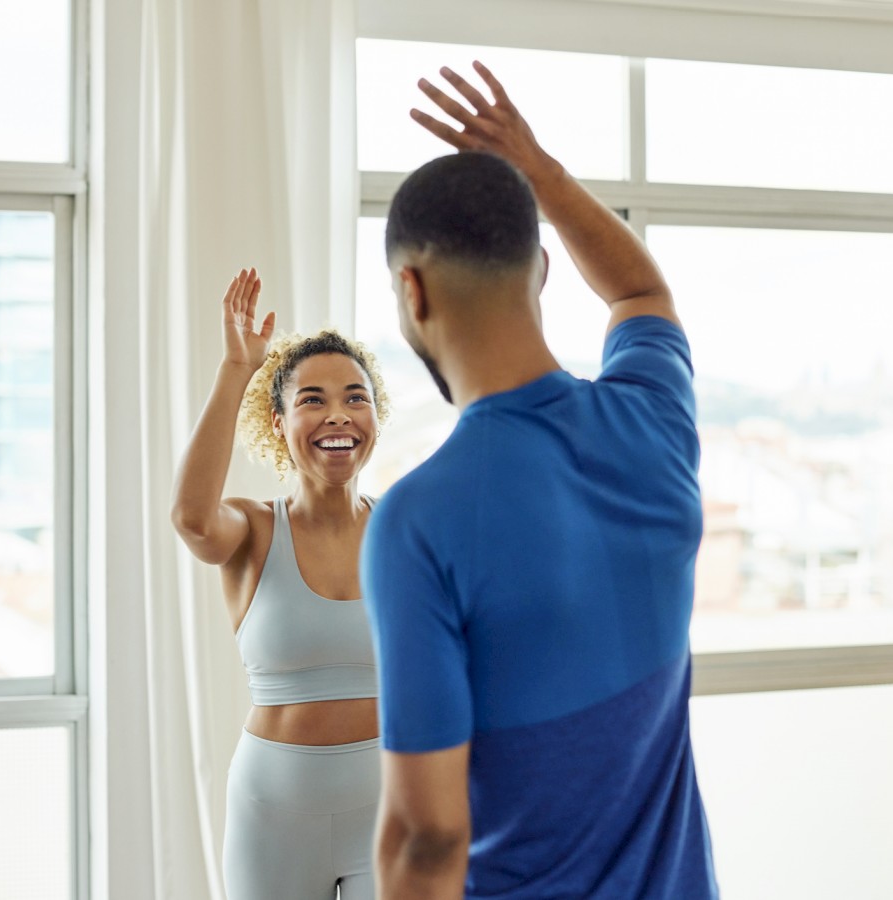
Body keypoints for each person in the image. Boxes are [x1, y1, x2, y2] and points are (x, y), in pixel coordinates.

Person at [361, 62, 720, 899]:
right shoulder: (654, 421)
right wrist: (541, 170)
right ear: (545, 272)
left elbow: (428, 837)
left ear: (410, 293)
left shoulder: (417, 523)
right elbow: (639, 286)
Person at [170, 267, 388, 900]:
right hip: (275, 814)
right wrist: (237, 369)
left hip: (392, 804)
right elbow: (190, 520)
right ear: (279, 421)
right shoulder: (254, 528)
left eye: (355, 396)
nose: (338, 415)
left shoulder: (401, 527)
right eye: (312, 399)